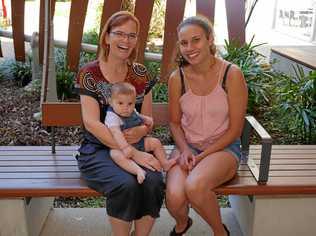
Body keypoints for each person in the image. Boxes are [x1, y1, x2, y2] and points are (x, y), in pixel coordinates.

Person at [75, 11, 165, 236]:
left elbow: (147, 120)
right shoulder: (90, 74)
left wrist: (142, 130)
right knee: (126, 184)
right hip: (99, 150)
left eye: (132, 36)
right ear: (106, 37)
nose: (126, 40)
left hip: (138, 144)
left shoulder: (140, 73)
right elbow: (92, 123)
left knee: (153, 179)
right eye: (120, 34)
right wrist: (132, 153)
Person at [166, 16, 248, 236]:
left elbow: (235, 131)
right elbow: (174, 123)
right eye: (184, 43)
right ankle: (183, 224)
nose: (190, 48)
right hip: (188, 147)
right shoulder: (177, 78)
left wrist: (201, 157)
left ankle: (220, 232)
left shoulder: (232, 74)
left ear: (210, 39)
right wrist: (185, 150)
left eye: (196, 40)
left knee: (195, 186)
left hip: (223, 148)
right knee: (174, 198)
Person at [105, 82, 177, 184]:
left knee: (155, 142)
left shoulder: (131, 110)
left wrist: (145, 119)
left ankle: (165, 163)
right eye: (120, 103)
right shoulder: (112, 116)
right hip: (122, 147)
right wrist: (125, 148)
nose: (126, 107)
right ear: (111, 102)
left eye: (130, 104)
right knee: (115, 154)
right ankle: (137, 170)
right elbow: (115, 132)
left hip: (139, 142)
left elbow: (137, 116)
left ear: (134, 103)